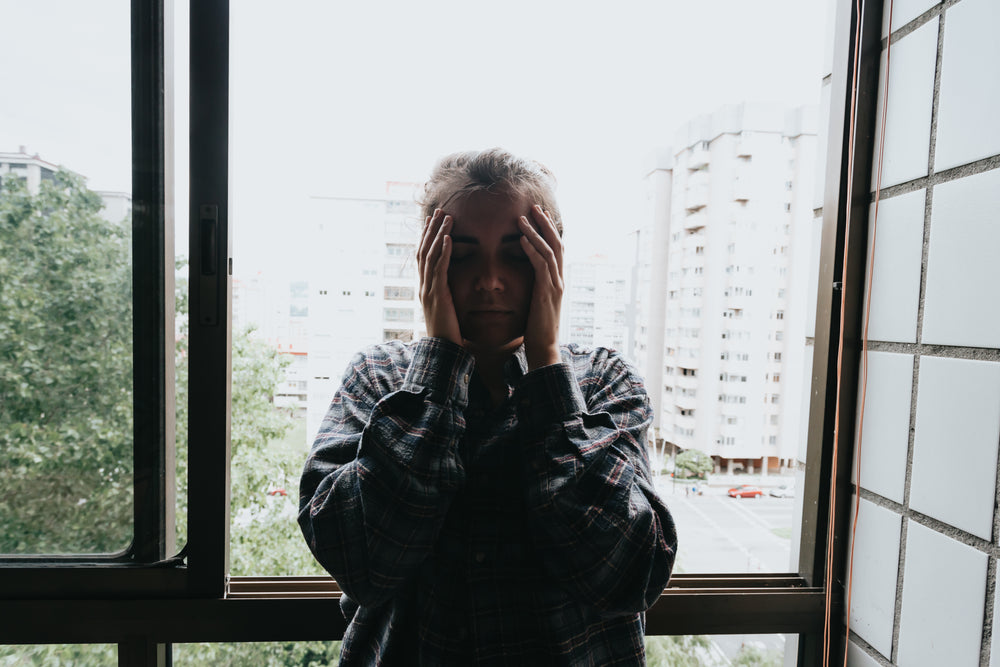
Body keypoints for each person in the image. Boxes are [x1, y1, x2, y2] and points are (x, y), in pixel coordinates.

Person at [298, 148, 677, 666]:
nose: (491, 280)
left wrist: (546, 370)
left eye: (518, 255)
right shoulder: (380, 379)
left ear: (553, 259)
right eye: (463, 253)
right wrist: (439, 368)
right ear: (430, 260)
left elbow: (628, 574)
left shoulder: (605, 383)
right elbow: (360, 561)